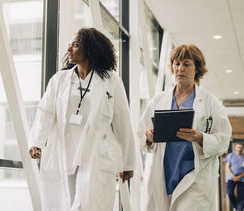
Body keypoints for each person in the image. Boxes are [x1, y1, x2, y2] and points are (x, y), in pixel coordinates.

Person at [28, 27, 136, 211]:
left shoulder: (111, 80)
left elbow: (122, 121)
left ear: (91, 49)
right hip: (65, 149)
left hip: (95, 153)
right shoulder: (59, 80)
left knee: (88, 203)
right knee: (66, 202)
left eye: (75, 45)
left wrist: (128, 162)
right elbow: (45, 111)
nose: (69, 49)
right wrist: (37, 141)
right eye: (69, 45)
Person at [137, 44, 232, 211]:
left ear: (197, 69)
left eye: (186, 64)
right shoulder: (159, 100)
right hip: (165, 174)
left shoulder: (211, 102)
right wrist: (148, 136)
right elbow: (141, 132)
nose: (180, 68)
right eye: (176, 63)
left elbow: (224, 139)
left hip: (195, 176)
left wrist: (200, 137)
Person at [226, 143, 244, 211]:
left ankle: (239, 209)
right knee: (230, 193)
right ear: (236, 148)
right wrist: (233, 176)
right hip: (231, 178)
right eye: (238, 147)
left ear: (243, 149)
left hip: (242, 179)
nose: (239, 149)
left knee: (241, 197)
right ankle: (237, 207)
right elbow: (228, 167)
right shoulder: (231, 155)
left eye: (241, 148)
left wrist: (239, 177)